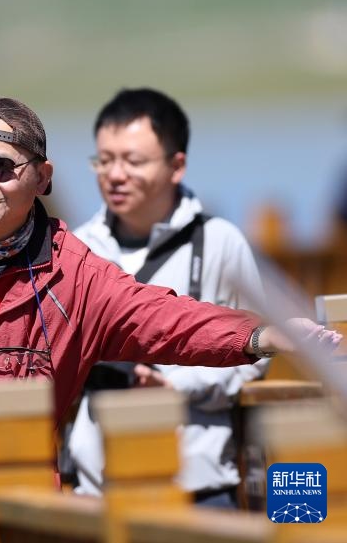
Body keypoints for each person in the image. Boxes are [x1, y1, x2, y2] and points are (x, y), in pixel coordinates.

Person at [0, 97, 341, 486]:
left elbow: (162, 319)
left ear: (43, 177)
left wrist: (261, 335)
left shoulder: (74, 275)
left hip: (24, 500)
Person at [64, 88, 267, 507]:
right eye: (104, 160)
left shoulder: (219, 242)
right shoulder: (75, 248)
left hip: (197, 485)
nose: (115, 174)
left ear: (177, 166)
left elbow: (259, 354)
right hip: (95, 490)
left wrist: (176, 385)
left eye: (133, 161)